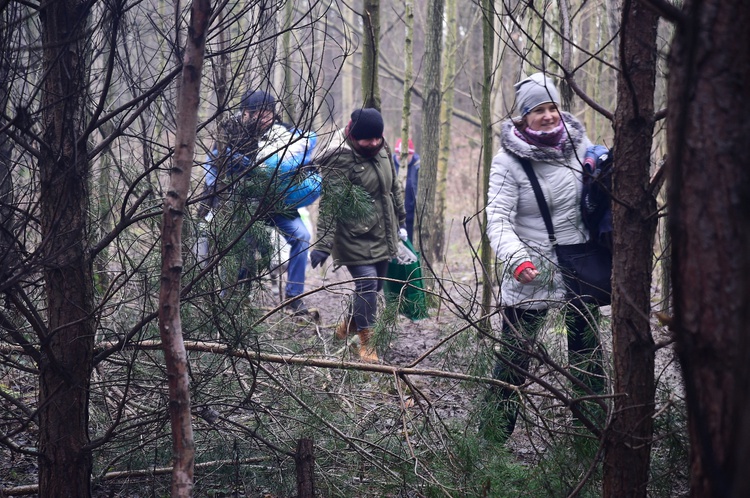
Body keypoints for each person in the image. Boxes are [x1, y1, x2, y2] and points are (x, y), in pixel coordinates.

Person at [484, 73, 606, 441]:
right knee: (514, 362)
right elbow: (497, 219)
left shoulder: (579, 142)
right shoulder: (509, 162)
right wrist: (517, 260)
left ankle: (590, 439)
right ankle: (491, 442)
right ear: (523, 117)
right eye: (539, 110)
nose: (549, 116)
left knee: (587, 360)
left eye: (553, 107)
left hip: (581, 267)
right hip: (532, 273)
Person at [197, 89, 319, 315]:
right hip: (241, 205)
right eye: (259, 114)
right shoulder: (228, 133)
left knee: (301, 236)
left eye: (269, 114)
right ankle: (233, 300)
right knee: (240, 248)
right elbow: (212, 169)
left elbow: (305, 149)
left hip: (275, 204)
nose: (266, 119)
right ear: (245, 113)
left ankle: (294, 297)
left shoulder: (282, 133)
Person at [309, 108, 407, 363]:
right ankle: (367, 344)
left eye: (377, 137)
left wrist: (402, 219)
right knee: (366, 284)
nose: (374, 143)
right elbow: (330, 203)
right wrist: (322, 245)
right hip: (352, 235)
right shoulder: (340, 159)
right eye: (368, 139)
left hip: (383, 232)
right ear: (353, 136)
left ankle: (348, 326)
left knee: (374, 287)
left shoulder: (382, 148)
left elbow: (393, 186)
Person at [392, 138, 420, 242]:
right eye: (398, 154)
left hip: (412, 218)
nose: (401, 157)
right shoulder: (390, 164)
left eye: (404, 155)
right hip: (394, 218)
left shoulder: (418, 166)